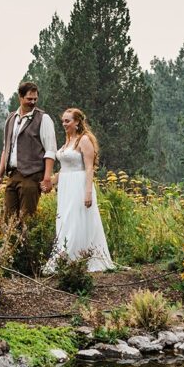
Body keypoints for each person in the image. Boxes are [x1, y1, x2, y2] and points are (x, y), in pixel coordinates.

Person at [44, 108, 114, 273]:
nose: (64, 124)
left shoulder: (84, 140)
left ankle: (76, 258)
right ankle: (66, 259)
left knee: (75, 220)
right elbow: (64, 168)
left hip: (79, 185)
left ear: (77, 122)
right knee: (65, 220)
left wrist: (88, 192)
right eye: (63, 121)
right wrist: (50, 182)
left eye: (67, 121)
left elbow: (89, 168)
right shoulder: (68, 140)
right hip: (66, 187)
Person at [0, 81, 57, 220]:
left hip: (32, 176)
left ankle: (28, 242)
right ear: (20, 97)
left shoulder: (43, 118)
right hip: (13, 175)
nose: (33, 102)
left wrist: (47, 178)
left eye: (35, 99)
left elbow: (50, 151)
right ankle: (11, 243)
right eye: (29, 99)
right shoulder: (11, 118)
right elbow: (6, 148)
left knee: (27, 219)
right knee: (9, 220)